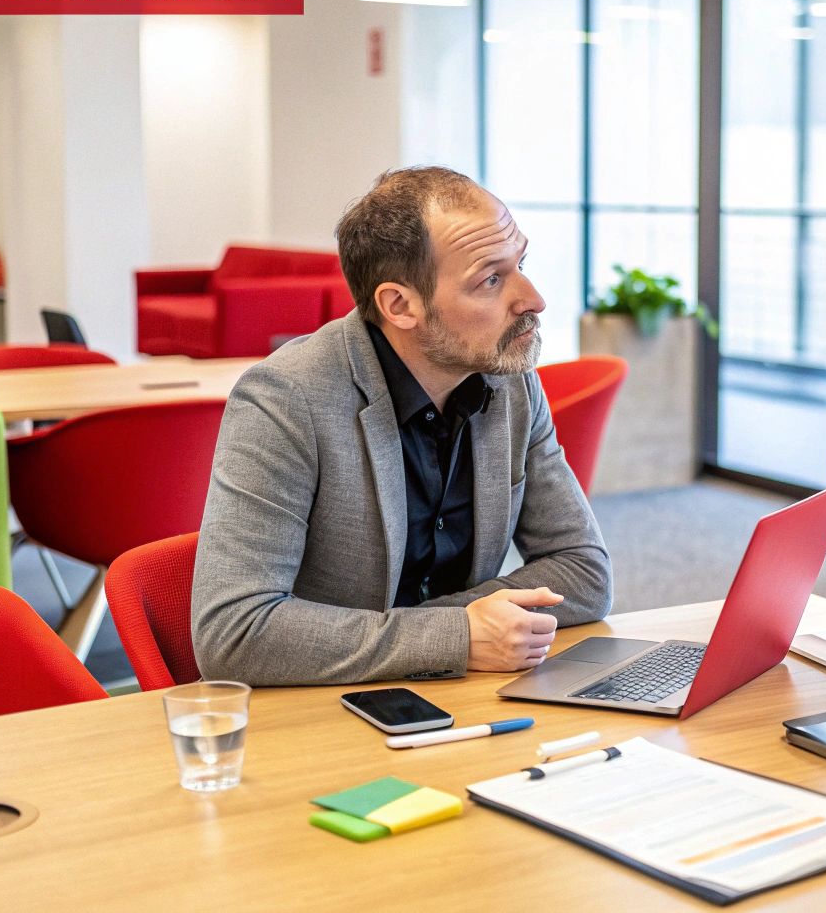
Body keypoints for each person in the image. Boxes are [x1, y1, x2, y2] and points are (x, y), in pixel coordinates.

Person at [191, 166, 612, 685]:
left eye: (520, 264)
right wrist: (457, 634)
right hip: (322, 709)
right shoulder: (287, 399)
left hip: (466, 693)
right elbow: (234, 632)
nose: (533, 299)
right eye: (491, 279)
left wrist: (460, 633)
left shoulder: (508, 379)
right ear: (400, 305)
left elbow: (583, 570)